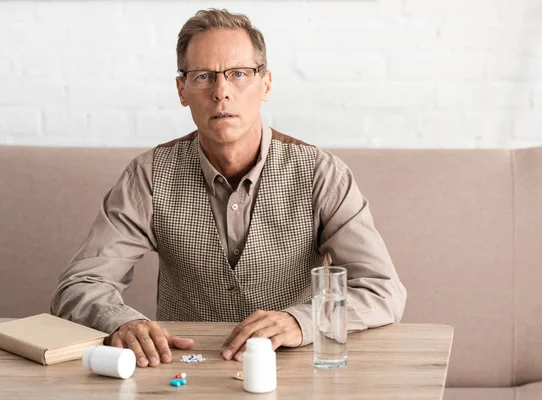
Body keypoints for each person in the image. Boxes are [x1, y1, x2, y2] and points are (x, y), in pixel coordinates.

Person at [50, 8, 407, 368]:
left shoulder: (321, 174)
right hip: (184, 372)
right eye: (203, 76)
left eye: (239, 74)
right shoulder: (148, 175)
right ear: (182, 90)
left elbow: (382, 290)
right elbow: (79, 284)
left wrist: (302, 321)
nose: (221, 92)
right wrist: (121, 321)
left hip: (295, 369)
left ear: (265, 83)